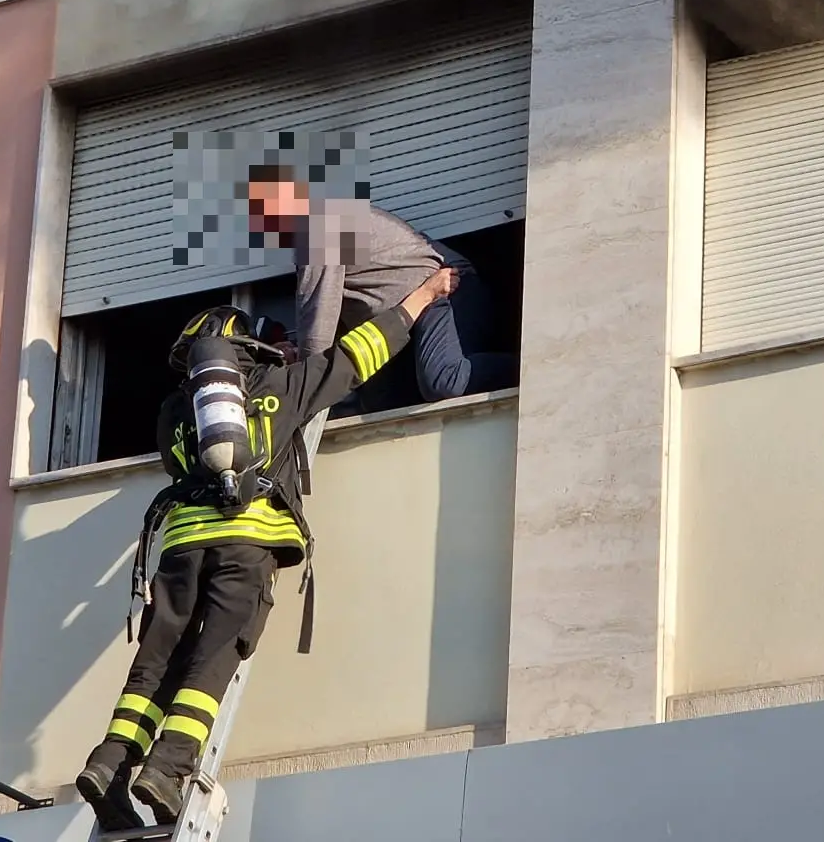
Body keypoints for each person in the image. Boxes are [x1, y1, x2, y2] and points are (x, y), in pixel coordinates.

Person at [75, 268, 456, 827]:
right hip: (246, 543)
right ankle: (168, 768)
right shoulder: (279, 388)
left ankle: (110, 764)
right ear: (248, 348)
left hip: (180, 548)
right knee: (214, 656)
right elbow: (358, 355)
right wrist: (424, 295)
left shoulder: (174, 413)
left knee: (156, 662)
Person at [245, 164, 518, 403]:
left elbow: (317, 324)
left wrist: (302, 384)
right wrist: (296, 352)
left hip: (444, 293)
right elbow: (328, 324)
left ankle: (530, 367)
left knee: (445, 381)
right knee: (377, 399)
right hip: (412, 318)